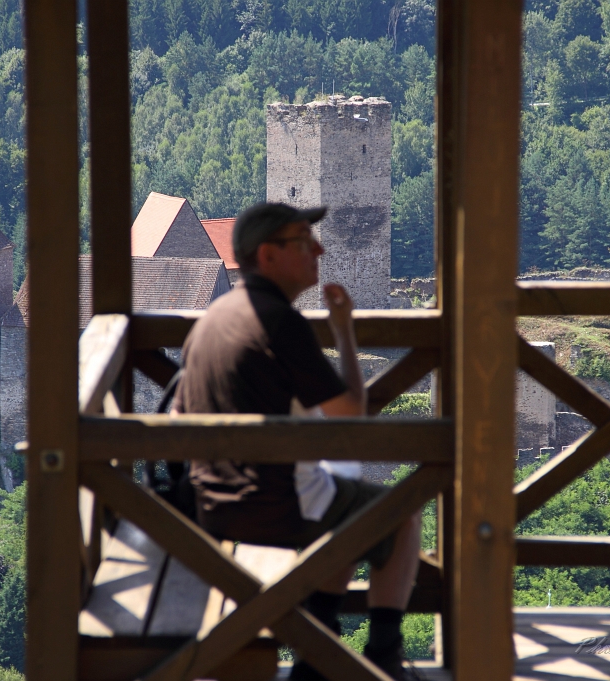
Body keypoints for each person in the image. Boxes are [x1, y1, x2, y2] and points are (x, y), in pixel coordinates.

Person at [174, 202, 423, 681]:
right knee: (401, 513)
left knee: (341, 495)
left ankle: (319, 645)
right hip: (272, 502)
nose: (320, 249)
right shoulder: (278, 322)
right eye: (304, 242)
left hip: (209, 501)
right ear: (268, 255)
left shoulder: (217, 314)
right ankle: (384, 655)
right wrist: (345, 331)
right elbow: (352, 414)